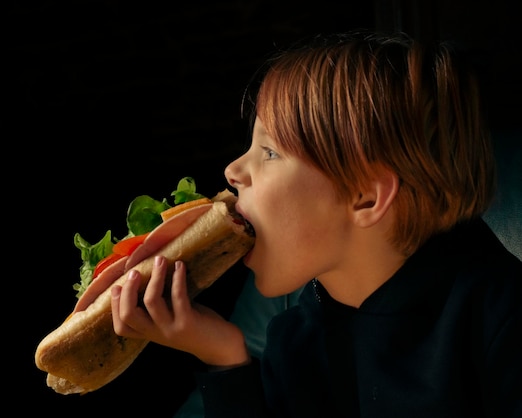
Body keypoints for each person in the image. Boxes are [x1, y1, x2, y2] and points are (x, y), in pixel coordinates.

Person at [109, 30, 522, 417]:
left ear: (367, 196)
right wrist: (224, 358)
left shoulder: (501, 318)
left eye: (269, 152)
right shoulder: (296, 339)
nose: (233, 170)